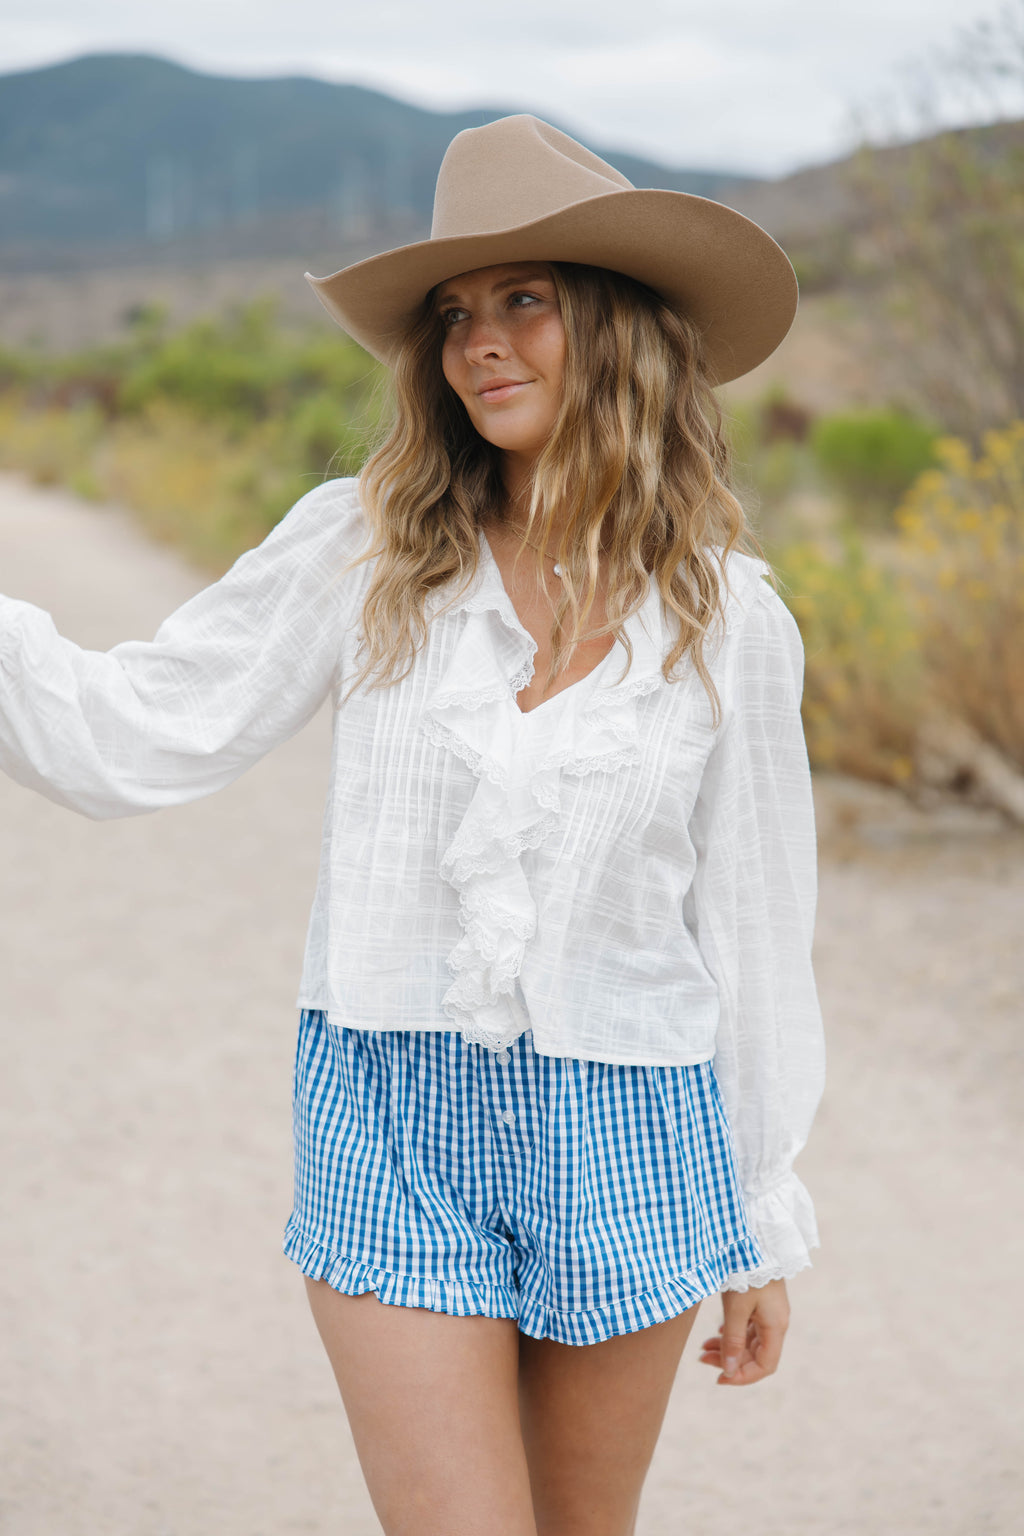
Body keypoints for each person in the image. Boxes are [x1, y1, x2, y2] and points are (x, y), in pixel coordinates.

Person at [0, 116, 825, 1536]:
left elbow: (751, 926)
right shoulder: (364, 546)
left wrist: (764, 1210)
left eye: (524, 302)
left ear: (619, 328)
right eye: (454, 315)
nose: (478, 345)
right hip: (390, 1113)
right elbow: (134, 731)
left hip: (631, 1121)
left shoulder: (729, 619)